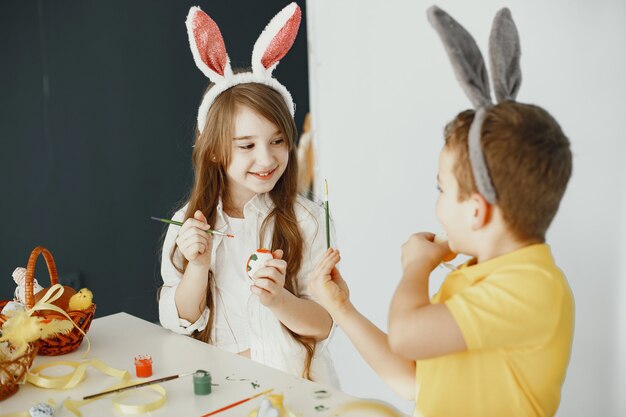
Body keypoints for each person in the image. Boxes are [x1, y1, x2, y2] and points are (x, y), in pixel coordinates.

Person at [310, 6, 574, 416]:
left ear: (475, 211)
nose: (436, 204)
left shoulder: (531, 288)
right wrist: (341, 308)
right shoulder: (475, 276)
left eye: (442, 188)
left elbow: (406, 335)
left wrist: (416, 266)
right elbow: (414, 381)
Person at [158, 3, 337, 386]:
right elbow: (180, 321)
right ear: (216, 151)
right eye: (246, 146)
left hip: (297, 390)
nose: (267, 158)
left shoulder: (306, 220)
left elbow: (324, 323)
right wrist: (198, 265)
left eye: (277, 141)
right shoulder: (188, 224)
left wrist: (279, 300)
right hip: (221, 389)